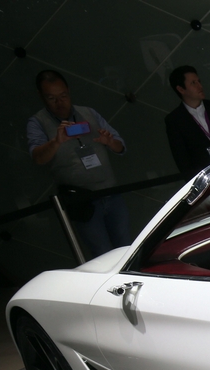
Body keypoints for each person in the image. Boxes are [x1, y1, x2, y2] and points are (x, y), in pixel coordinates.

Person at [27, 70, 131, 258]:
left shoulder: (88, 112)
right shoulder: (38, 122)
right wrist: (56, 141)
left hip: (111, 192)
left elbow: (121, 146)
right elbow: (38, 158)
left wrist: (110, 142)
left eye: (63, 96)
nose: (60, 103)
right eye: (52, 98)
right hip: (82, 200)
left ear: (68, 91)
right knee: (102, 253)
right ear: (41, 96)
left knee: (126, 248)